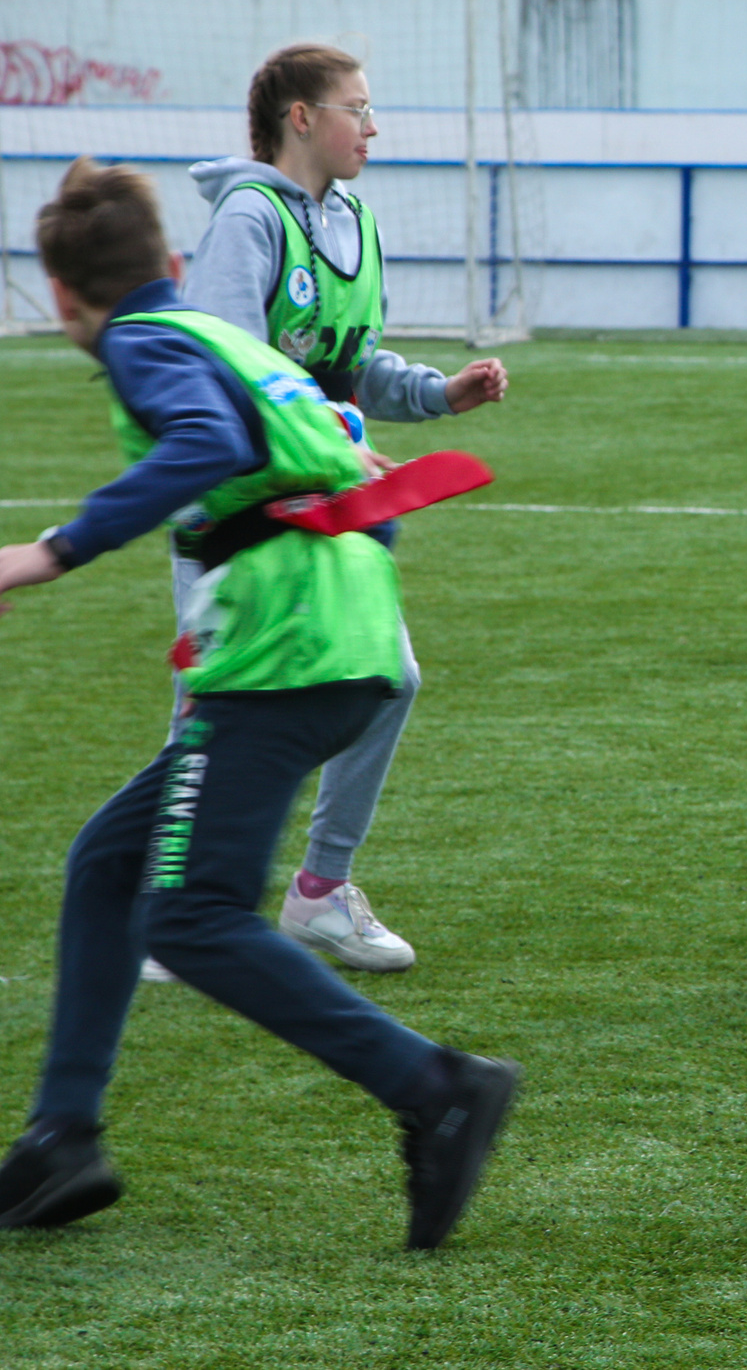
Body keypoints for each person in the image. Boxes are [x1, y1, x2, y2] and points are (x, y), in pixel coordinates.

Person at [0, 161, 517, 1246]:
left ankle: (437, 1087)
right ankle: (62, 1137)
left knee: (192, 918)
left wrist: (50, 552)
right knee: (107, 865)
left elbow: (210, 446)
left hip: (287, 650)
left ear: (59, 295)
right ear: (173, 264)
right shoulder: (217, 336)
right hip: (340, 635)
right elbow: (337, 460)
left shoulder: (145, 345)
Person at [155, 43, 510, 977]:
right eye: (356, 106)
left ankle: (318, 893)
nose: (373, 123)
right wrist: (330, 438)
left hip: (323, 510)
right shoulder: (249, 219)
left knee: (387, 678)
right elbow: (230, 371)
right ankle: (167, 908)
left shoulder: (354, 219)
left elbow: (347, 368)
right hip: (239, 508)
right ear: (301, 118)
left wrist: (441, 393)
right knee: (207, 712)